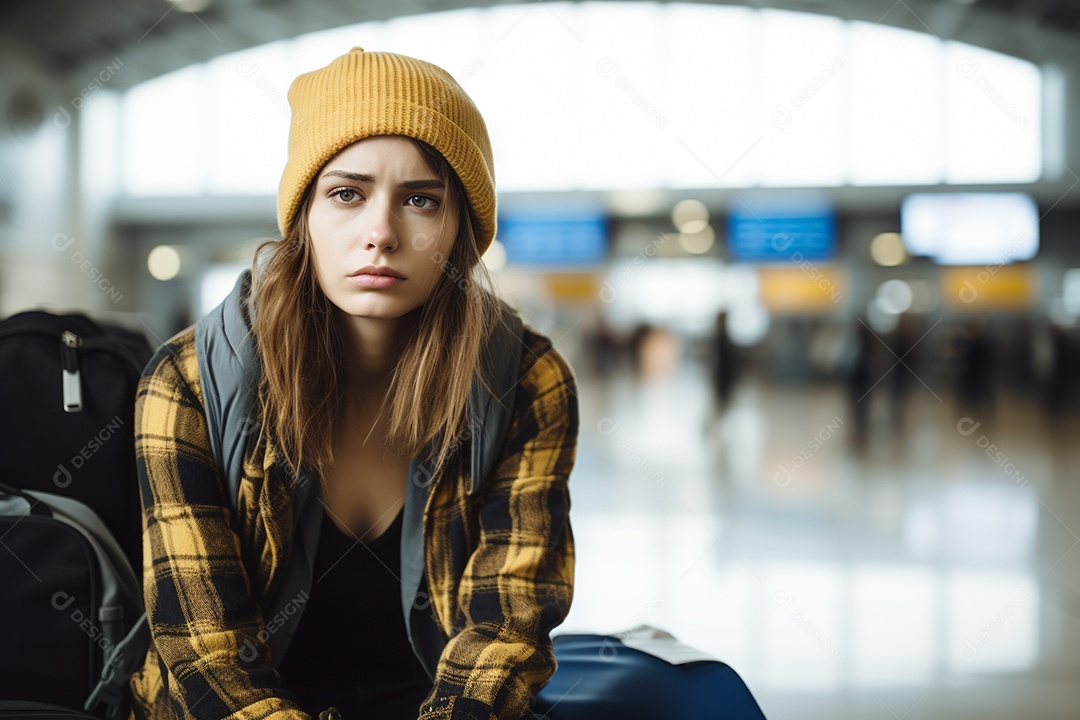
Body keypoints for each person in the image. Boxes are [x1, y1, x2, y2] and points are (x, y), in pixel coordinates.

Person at [128, 46, 579, 720]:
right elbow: (206, 653)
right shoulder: (188, 383)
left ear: (461, 230)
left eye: (421, 200)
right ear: (304, 217)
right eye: (347, 193)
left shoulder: (525, 382)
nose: (381, 233)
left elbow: (505, 630)